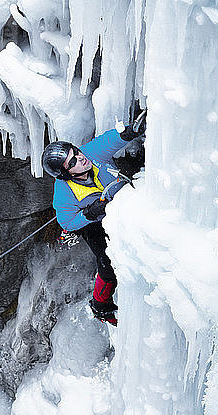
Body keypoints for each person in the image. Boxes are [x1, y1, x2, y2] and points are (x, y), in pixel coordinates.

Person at [42, 112, 146, 325]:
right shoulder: (64, 195)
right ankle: (100, 305)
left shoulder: (92, 154)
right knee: (107, 266)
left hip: (122, 201)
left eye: (76, 153)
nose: (81, 158)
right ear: (65, 174)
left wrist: (129, 132)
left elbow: (109, 140)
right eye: (73, 162)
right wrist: (90, 213)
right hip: (93, 223)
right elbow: (67, 223)